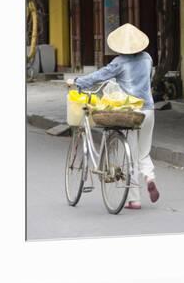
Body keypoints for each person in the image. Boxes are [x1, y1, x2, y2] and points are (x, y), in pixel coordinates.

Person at [66, 23, 160, 209]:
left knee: (131, 156)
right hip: (149, 109)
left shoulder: (119, 62)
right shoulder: (147, 58)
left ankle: (134, 199)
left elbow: (99, 76)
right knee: (144, 152)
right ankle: (150, 177)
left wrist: (76, 81)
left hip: (131, 112)